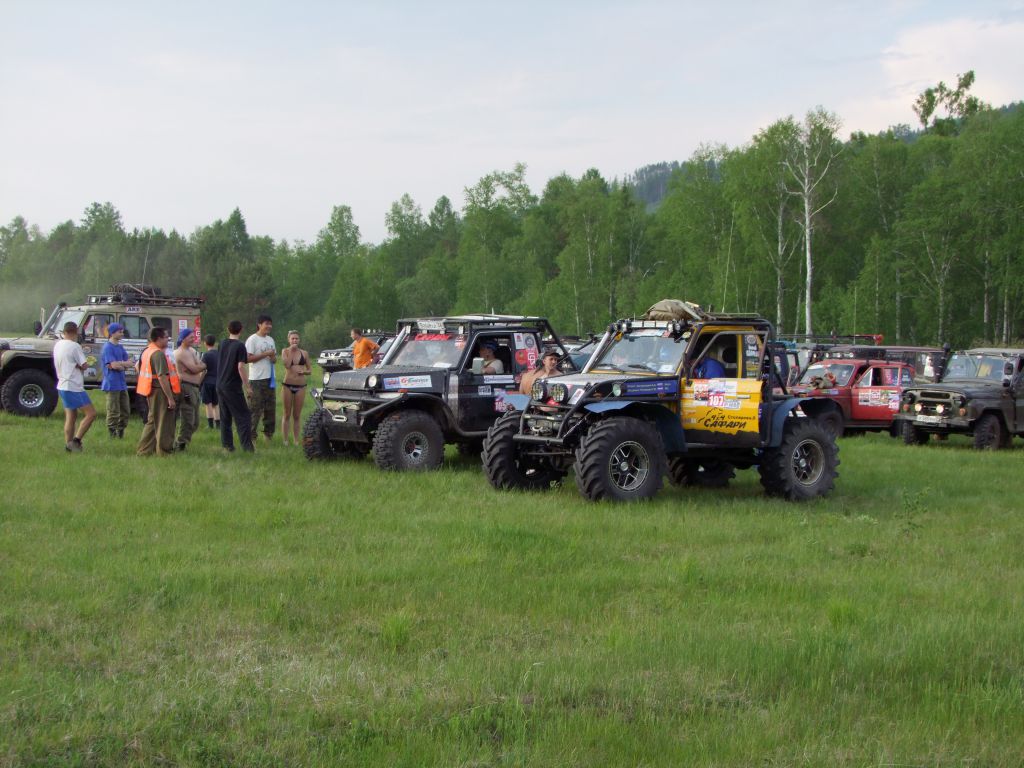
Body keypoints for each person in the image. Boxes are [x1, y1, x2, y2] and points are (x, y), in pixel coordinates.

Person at [53, 320, 97, 452]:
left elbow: (67, 361)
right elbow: (84, 365)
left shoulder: (58, 344)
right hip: (73, 386)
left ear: (64, 332)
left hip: (62, 384)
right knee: (91, 414)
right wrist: (84, 364)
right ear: (76, 332)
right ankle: (76, 441)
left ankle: (68, 445)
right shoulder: (75, 346)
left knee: (71, 417)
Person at [136, 327, 180, 457]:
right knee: (164, 422)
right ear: (159, 338)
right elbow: (162, 377)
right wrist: (170, 398)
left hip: (151, 390)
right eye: (166, 337)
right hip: (160, 392)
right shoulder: (158, 354)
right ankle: (164, 451)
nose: (168, 340)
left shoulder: (147, 351)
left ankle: (144, 450)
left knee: (152, 421)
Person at [218, 320, 254, 452]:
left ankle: (227, 446)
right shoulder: (240, 345)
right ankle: (247, 448)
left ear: (228, 329)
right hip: (232, 386)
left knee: (225, 417)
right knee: (243, 416)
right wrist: (247, 387)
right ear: (241, 329)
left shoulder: (222, 343)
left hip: (220, 384)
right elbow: (240, 367)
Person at [173, 329, 207, 451]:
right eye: (190, 337)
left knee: (195, 422)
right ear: (183, 339)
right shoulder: (180, 353)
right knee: (188, 419)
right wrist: (198, 367)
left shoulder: (191, 351)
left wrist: (198, 367)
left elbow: (201, 365)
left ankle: (182, 441)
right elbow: (196, 369)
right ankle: (180, 444)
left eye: (194, 337)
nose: (193, 339)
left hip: (195, 387)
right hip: (186, 387)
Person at [100, 322, 135, 438]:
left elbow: (130, 363)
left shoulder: (120, 347)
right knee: (113, 410)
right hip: (111, 383)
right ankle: (112, 433)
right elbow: (113, 365)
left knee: (126, 410)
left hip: (122, 383)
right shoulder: (107, 348)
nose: (122, 333)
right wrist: (122, 364)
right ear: (112, 333)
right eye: (120, 332)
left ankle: (121, 431)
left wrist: (120, 364)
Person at [246, 314, 277, 442]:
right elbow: (248, 358)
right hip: (256, 380)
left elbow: (274, 359)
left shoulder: (271, 340)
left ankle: (268, 436)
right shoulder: (252, 339)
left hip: (270, 378)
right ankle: (251, 437)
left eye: (270, 324)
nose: (269, 326)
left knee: (270, 409)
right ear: (259, 324)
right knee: (255, 409)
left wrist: (273, 357)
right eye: (266, 324)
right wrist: (265, 354)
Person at [281, 330, 311, 445]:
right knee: (287, 414)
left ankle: (296, 440)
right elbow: (287, 365)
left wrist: (304, 372)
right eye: (292, 338)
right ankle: (285, 440)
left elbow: (310, 370)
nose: (295, 340)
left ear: (299, 340)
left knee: (297, 415)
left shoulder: (304, 353)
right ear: (289, 340)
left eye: (296, 338)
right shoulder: (285, 351)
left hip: (301, 385)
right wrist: (292, 351)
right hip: (287, 385)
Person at [200, 334, 220, 428]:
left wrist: (199, 382)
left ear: (205, 343)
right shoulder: (219, 354)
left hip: (208, 381)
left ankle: (210, 425)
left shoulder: (206, 355)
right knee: (216, 404)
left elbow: (203, 370)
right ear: (214, 343)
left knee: (208, 403)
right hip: (218, 381)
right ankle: (218, 424)